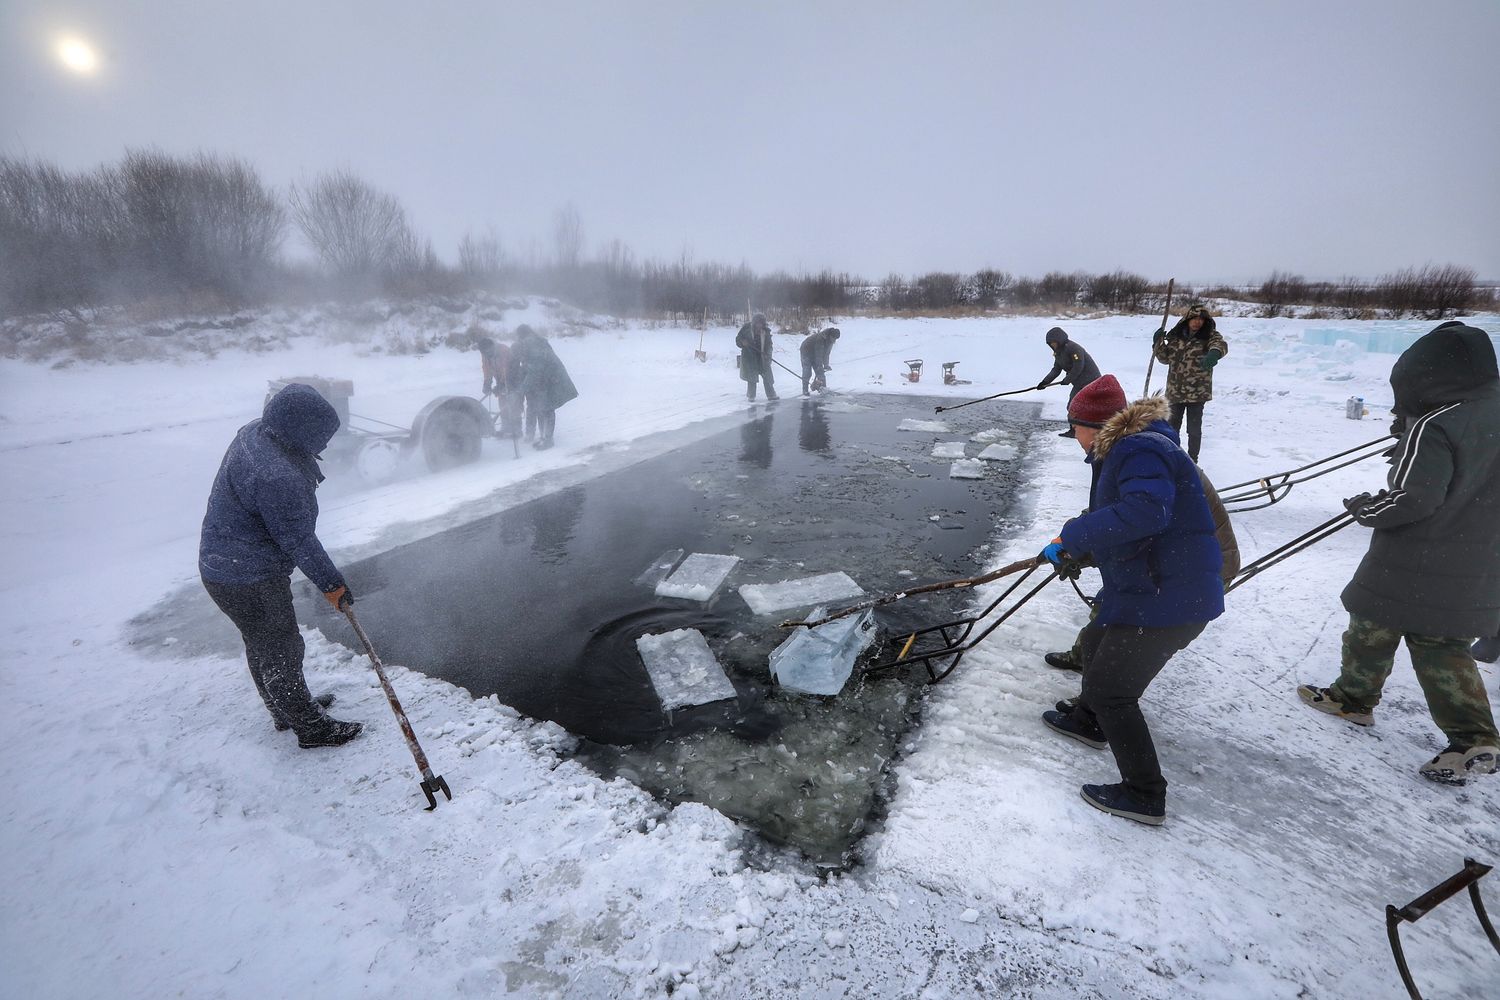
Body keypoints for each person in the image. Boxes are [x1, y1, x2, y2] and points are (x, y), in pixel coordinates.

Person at [1297, 321, 1499, 784]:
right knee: (1443, 643)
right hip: (1481, 555)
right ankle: (1474, 737)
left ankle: (1353, 699)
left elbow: (1415, 497)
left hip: (1418, 553)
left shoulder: (1437, 424)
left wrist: (1369, 508)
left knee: (1371, 619)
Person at [1037, 374, 1225, 825]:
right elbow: (1120, 515)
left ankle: (1144, 794)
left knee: (1112, 690)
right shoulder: (1130, 448)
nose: (1075, 438)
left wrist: (1078, 535)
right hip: (1148, 585)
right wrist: (1078, 543)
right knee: (1098, 642)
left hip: (1168, 596)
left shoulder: (1138, 449)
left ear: (1094, 425)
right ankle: (1089, 720)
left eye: (1075, 428)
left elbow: (1145, 511)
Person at [199, 383, 363, 749]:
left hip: (223, 564)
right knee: (281, 646)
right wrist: (332, 585)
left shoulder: (258, 431)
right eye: (320, 437)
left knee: (260, 643)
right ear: (299, 430)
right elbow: (299, 539)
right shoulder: (277, 475)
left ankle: (286, 709)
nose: (323, 446)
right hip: (247, 576)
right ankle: (310, 728)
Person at [1045, 467, 1240, 674]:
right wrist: (1070, 541)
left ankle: (1102, 697)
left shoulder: (1151, 464)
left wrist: (1080, 549)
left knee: (1128, 633)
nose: (1077, 436)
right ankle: (1085, 659)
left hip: (1199, 570)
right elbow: (1107, 511)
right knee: (1108, 607)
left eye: (1080, 432)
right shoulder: (1134, 458)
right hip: (1168, 561)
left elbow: (1131, 528)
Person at [1151, 303, 1229, 462]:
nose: (1197, 322)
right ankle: (1171, 457)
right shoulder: (1176, 336)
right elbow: (1164, 358)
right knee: (1172, 428)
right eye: (1194, 318)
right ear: (1188, 319)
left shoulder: (1210, 335)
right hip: (1175, 392)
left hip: (1197, 393)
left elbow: (1220, 344)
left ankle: (1193, 460)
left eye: (1201, 319)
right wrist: (1158, 342)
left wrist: (1214, 353)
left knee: (1193, 430)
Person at [512, 324, 578, 451]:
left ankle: (548, 439)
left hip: (551, 379)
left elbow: (535, 370)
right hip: (547, 378)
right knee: (541, 406)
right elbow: (529, 368)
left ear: (521, 335)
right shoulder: (532, 342)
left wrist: (522, 390)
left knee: (547, 408)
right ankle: (544, 437)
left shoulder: (531, 344)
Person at [1036, 327, 1101, 438]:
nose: (1053, 345)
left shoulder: (1074, 348)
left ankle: (1089, 430)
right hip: (1078, 383)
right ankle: (1076, 431)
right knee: (1073, 406)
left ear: (1060, 340)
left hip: (1091, 382)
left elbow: (1078, 367)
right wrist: (1045, 382)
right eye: (1050, 344)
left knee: (1077, 405)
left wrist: (1067, 379)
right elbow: (1056, 369)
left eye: (1054, 343)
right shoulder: (1058, 353)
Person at [477, 336, 522, 441]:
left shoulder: (503, 351)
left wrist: (501, 385)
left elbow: (507, 369)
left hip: (513, 378)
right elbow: (486, 369)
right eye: (484, 353)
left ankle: (517, 429)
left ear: (492, 347)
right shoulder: (485, 354)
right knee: (502, 403)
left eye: (487, 352)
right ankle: (506, 428)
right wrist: (487, 383)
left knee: (513, 403)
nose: (486, 355)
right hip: (500, 379)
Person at [736, 313, 779, 401]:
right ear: (754, 323)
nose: (759, 325)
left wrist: (768, 354)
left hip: (762, 357)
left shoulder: (766, 332)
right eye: (757, 323)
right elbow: (738, 340)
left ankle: (771, 394)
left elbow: (769, 345)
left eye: (761, 323)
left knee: (767, 376)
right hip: (750, 357)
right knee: (751, 378)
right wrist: (742, 342)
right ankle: (751, 396)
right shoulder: (746, 329)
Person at [799, 326, 840, 396]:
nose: (834, 341)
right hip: (806, 351)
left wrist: (826, 365)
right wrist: (820, 367)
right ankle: (805, 390)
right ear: (830, 336)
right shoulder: (820, 338)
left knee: (820, 373)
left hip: (815, 353)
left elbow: (827, 354)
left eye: (835, 339)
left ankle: (823, 389)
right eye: (833, 338)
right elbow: (819, 356)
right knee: (807, 372)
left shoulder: (830, 341)